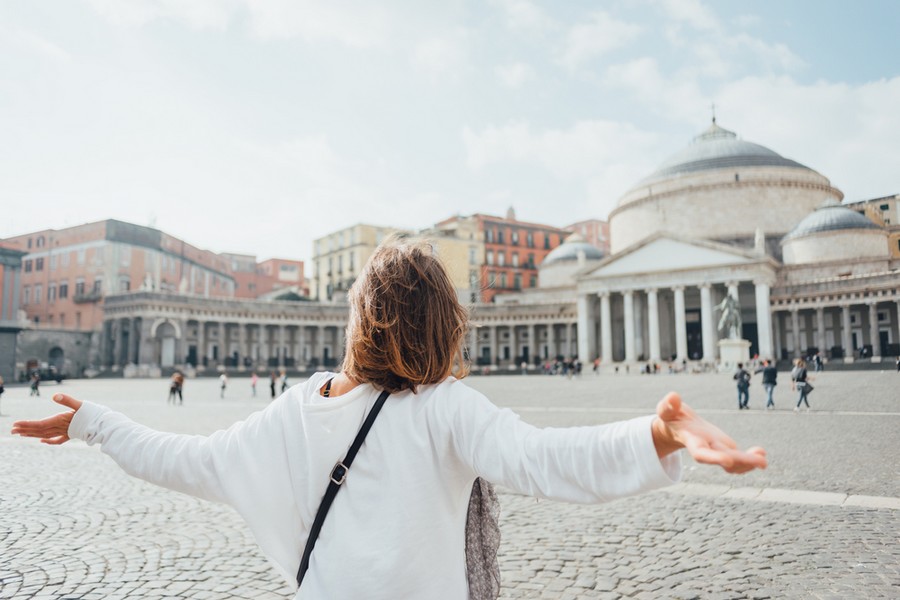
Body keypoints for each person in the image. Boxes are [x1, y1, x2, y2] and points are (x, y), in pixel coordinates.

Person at [11, 236, 767, 599]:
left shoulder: (296, 409)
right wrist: (655, 436)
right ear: (444, 325)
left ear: (359, 319)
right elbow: (543, 459)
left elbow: (187, 461)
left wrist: (94, 424)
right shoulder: (444, 409)